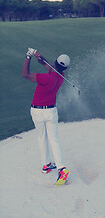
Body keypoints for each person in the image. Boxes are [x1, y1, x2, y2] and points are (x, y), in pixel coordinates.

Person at [22, 48, 70, 185]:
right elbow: (49, 66)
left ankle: (52, 166)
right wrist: (39, 55)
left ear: (55, 62)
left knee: (41, 137)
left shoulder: (46, 77)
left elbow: (25, 74)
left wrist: (28, 56)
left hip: (37, 112)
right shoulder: (60, 76)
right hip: (51, 112)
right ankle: (52, 166)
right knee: (54, 139)